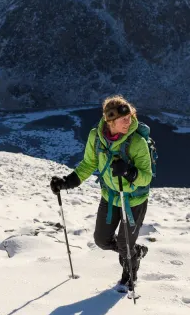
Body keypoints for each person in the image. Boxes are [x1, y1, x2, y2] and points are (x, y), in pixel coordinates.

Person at [50, 95, 153, 292]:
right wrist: (67, 182)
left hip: (134, 200)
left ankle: (129, 272)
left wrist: (129, 172)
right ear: (110, 121)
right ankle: (134, 251)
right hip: (111, 197)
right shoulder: (95, 137)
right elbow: (89, 164)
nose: (128, 122)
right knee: (101, 240)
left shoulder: (137, 142)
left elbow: (146, 177)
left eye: (130, 117)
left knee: (124, 244)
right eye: (123, 120)